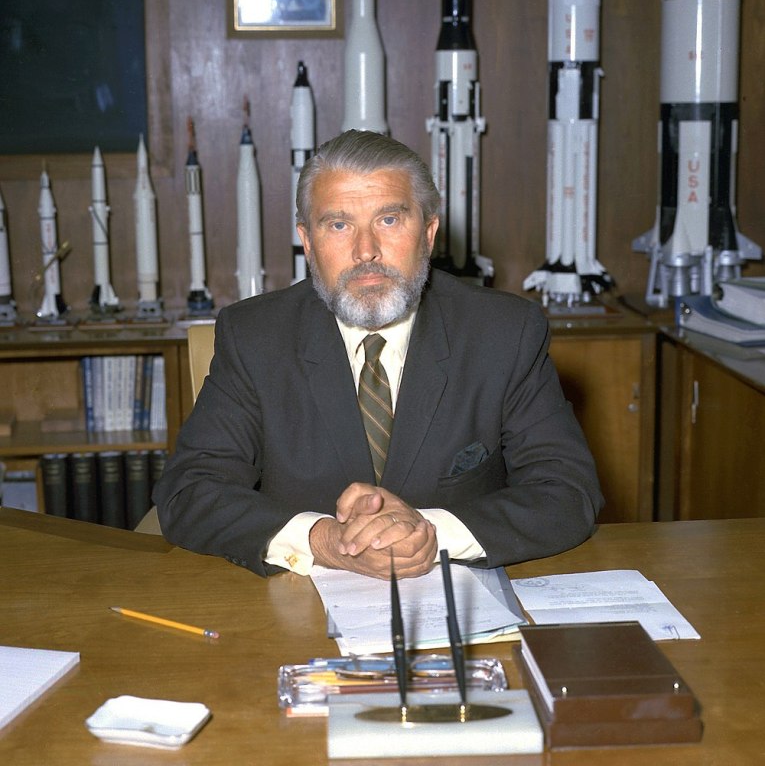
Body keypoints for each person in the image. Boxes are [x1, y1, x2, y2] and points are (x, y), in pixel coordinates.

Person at [154, 130, 603, 579]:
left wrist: (428, 534)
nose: (365, 251)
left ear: (428, 233)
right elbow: (188, 492)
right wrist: (323, 540)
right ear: (307, 242)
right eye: (339, 224)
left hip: (456, 599)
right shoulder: (255, 337)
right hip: (296, 610)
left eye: (389, 220)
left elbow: (567, 492)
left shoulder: (506, 334)